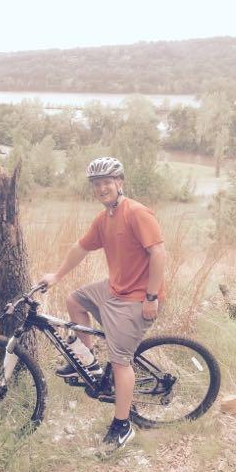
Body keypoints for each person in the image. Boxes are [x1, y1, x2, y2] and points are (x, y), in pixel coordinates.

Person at [40, 156, 166, 452]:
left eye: (106, 182)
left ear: (119, 183)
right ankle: (89, 363)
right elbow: (80, 247)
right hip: (114, 290)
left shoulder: (136, 213)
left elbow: (158, 254)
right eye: (96, 185)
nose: (101, 188)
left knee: (121, 361)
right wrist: (56, 276)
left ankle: (122, 426)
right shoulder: (105, 218)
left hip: (136, 298)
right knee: (75, 300)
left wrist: (151, 297)